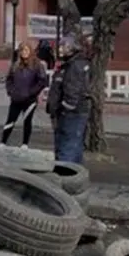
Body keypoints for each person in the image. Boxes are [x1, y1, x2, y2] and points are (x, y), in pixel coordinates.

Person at [46, 35, 92, 164]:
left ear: (72, 48)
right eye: (60, 46)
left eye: (64, 46)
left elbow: (72, 92)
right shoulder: (68, 65)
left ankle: (65, 173)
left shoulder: (75, 66)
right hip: (67, 113)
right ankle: (72, 173)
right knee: (70, 147)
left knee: (67, 149)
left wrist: (64, 109)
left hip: (71, 114)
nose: (60, 49)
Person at [0, 42, 49, 148]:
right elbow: (9, 79)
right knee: (10, 120)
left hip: (29, 100)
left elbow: (42, 81)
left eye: (26, 50)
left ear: (30, 51)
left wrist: (31, 92)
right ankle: (3, 142)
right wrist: (11, 91)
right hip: (16, 98)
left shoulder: (37, 65)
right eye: (22, 50)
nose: (24, 52)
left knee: (27, 121)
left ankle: (25, 144)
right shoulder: (15, 65)